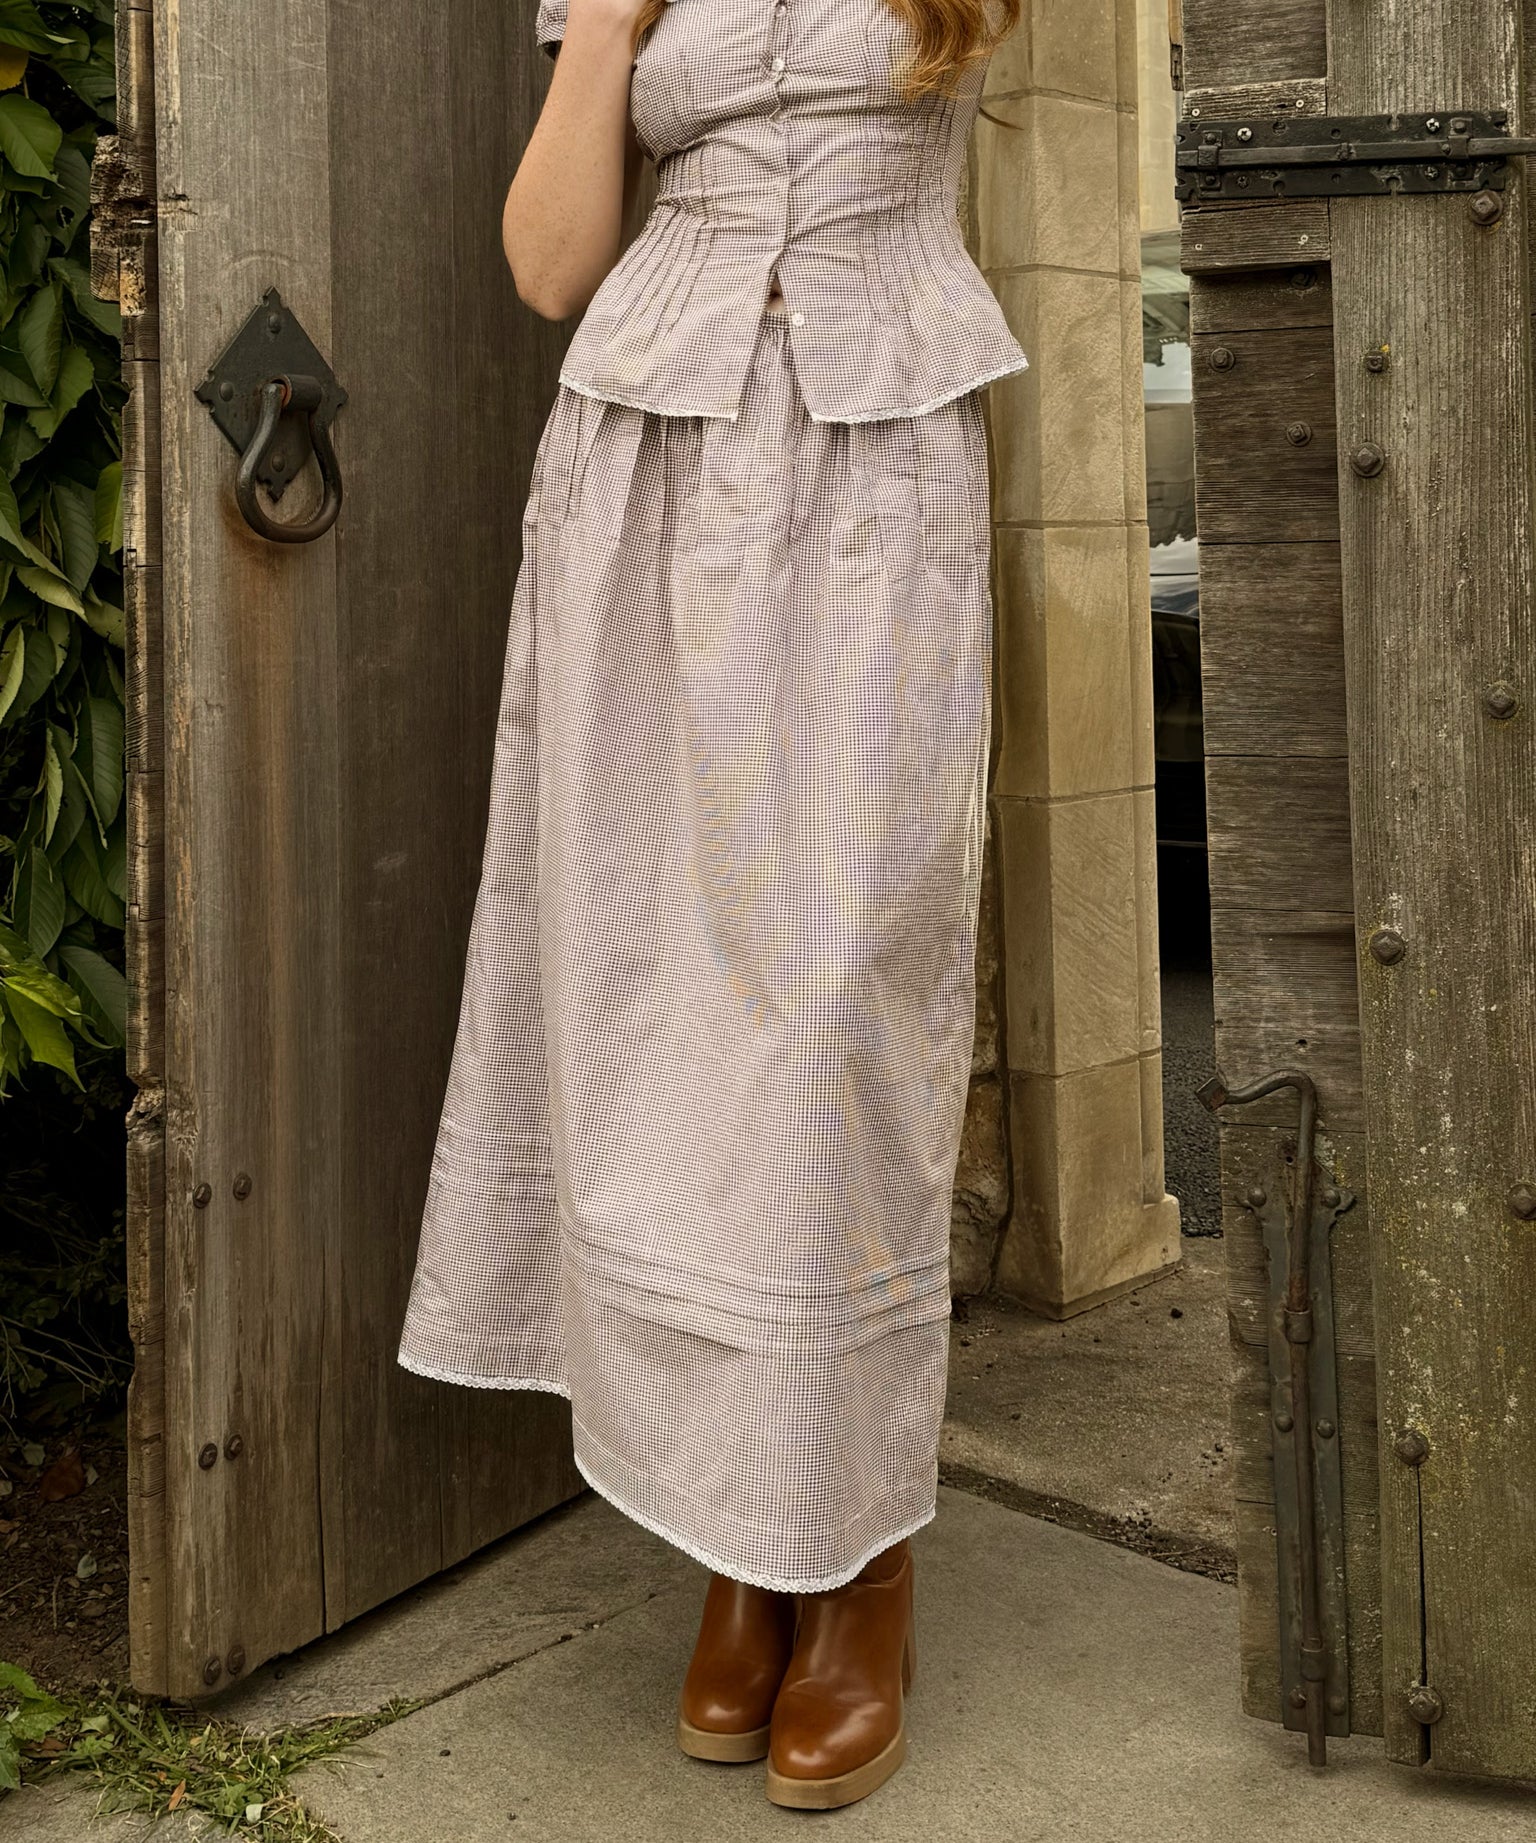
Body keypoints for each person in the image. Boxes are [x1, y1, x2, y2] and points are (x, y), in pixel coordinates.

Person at [397, 0, 1026, 1809]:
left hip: (869, 467)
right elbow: (546, 264)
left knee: (837, 1006)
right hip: (641, 473)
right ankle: (740, 1554)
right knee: (651, 994)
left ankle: (858, 1564)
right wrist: (603, 28)